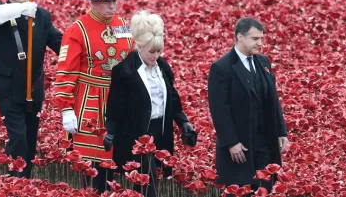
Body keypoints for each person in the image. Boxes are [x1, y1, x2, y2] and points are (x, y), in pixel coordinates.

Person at [104, 10, 197, 197]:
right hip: (136, 133)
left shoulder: (162, 66)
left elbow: (171, 97)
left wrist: (183, 122)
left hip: (160, 129)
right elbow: (115, 103)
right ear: (139, 47)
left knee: (154, 178)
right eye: (152, 51)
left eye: (159, 51)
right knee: (147, 181)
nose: (156, 55)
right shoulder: (125, 70)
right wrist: (111, 131)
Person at [0, 0, 63, 178]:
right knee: (18, 137)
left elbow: (58, 42)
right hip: (7, 87)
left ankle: (24, 180)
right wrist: (19, 10)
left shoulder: (41, 15)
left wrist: (80, 48)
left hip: (32, 87)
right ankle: (14, 179)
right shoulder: (0, 10)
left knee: (30, 138)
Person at [55, 0, 133, 191]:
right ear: (93, 2)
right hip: (90, 101)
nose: (112, 5)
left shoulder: (123, 26)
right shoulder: (77, 29)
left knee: (121, 161)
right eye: (107, 2)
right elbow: (65, 71)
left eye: (114, 1)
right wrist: (66, 109)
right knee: (92, 165)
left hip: (120, 100)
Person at [208, 18, 289, 191]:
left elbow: (273, 99)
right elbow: (219, 109)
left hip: (264, 142)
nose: (259, 43)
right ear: (240, 37)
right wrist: (231, 142)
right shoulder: (221, 68)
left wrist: (281, 131)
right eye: (255, 39)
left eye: (261, 38)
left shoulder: (263, 62)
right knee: (240, 190)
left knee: (265, 189)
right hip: (240, 147)